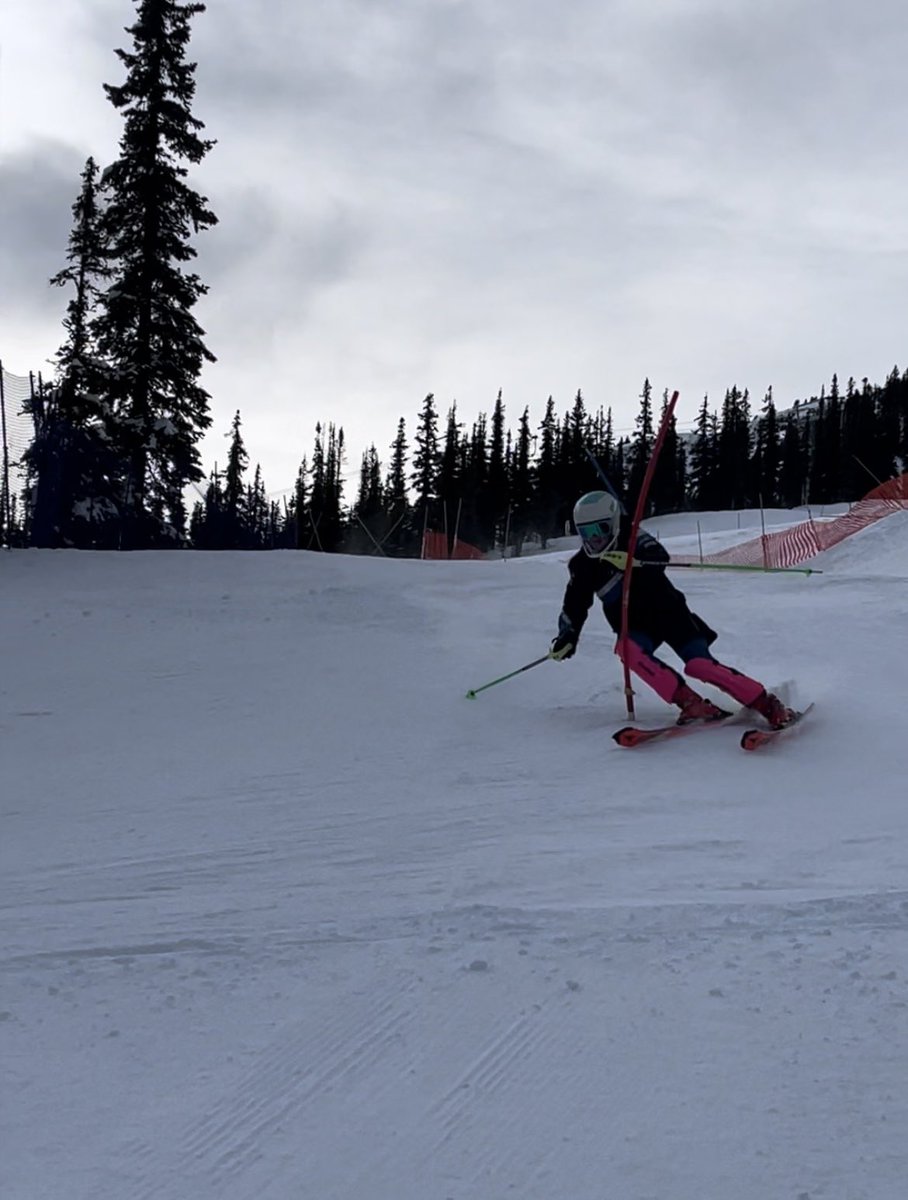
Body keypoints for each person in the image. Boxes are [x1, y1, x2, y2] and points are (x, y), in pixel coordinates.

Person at [549, 490, 796, 727]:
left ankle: (767, 704)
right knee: (627, 649)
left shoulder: (633, 536)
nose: (594, 539)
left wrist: (634, 562)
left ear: (614, 524)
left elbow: (659, 556)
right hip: (636, 625)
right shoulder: (582, 566)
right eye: (585, 532)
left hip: (670, 614)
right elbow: (575, 603)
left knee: (699, 666)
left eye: (599, 530)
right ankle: (690, 703)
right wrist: (568, 635)